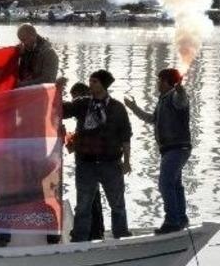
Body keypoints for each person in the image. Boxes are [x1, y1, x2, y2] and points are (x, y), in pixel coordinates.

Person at [61, 70, 132, 242]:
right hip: (86, 164)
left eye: (94, 82)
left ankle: (121, 234)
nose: (90, 85)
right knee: (83, 205)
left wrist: (127, 162)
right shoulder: (83, 104)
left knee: (117, 204)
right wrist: (57, 90)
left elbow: (125, 137)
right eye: (90, 81)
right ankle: (79, 239)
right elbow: (62, 110)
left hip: (111, 163)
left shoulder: (117, 108)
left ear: (103, 85)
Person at [124, 68, 192, 234]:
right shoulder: (163, 100)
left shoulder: (175, 97)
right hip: (171, 149)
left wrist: (181, 90)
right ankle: (181, 218)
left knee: (165, 183)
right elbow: (152, 119)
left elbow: (182, 100)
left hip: (176, 148)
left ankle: (172, 221)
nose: (157, 84)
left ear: (168, 83)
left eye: (159, 80)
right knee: (175, 184)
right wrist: (133, 107)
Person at [66, 82, 105, 240]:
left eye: (73, 97)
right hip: (94, 160)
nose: (73, 101)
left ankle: (83, 234)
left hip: (88, 161)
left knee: (85, 198)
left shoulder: (85, 105)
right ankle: (96, 230)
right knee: (93, 197)